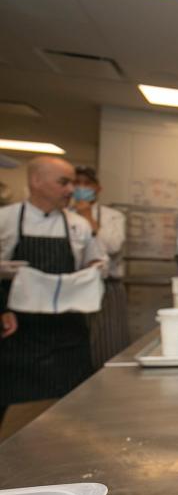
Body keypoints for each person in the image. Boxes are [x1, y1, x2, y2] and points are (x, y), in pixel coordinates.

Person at [0, 156, 107, 416]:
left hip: (68, 330)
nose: (71, 190)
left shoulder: (77, 225)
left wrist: (96, 270)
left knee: (73, 406)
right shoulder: (6, 219)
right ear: (36, 181)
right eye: (64, 182)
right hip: (19, 329)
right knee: (15, 406)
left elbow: (96, 259)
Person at [72, 165, 129, 368]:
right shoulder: (63, 214)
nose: (81, 188)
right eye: (77, 183)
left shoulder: (112, 216)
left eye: (86, 184)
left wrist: (88, 218)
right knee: (74, 344)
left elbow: (113, 247)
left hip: (107, 286)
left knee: (108, 345)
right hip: (73, 287)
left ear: (98, 188)